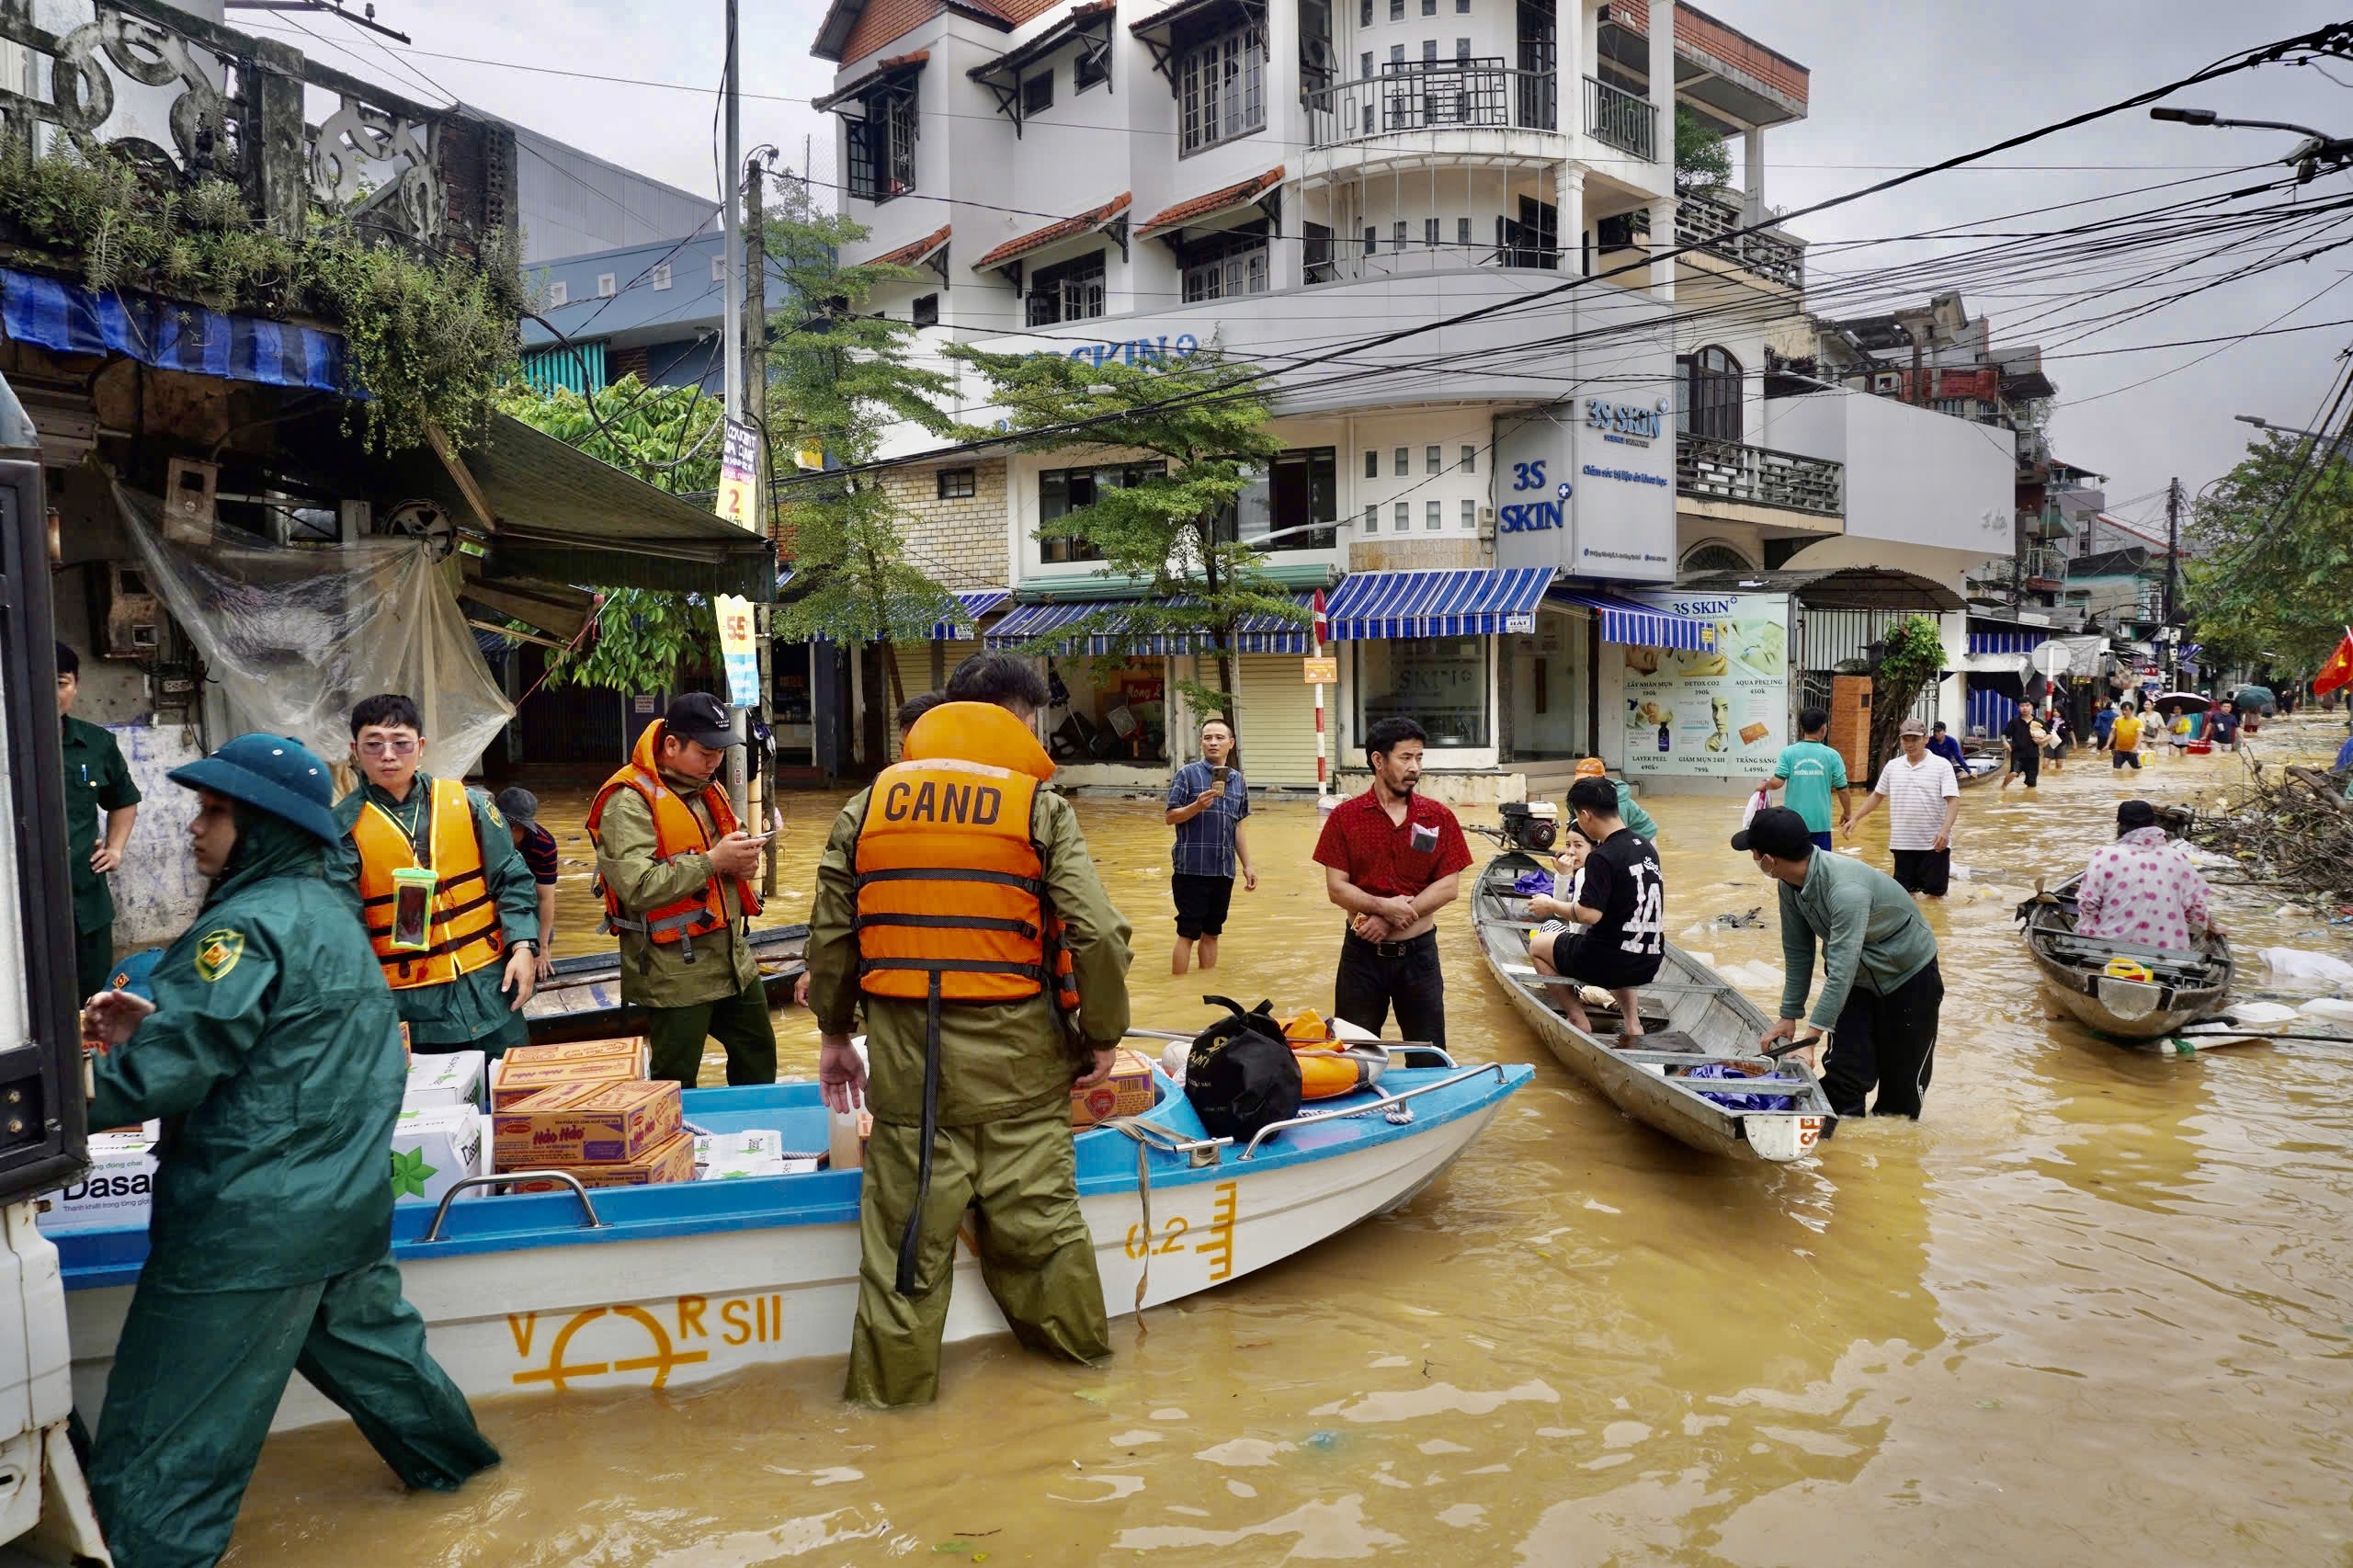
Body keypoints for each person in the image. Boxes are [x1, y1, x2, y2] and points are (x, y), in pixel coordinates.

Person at [78, 733, 498, 1565]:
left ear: (264, 827)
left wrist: (55, 1099)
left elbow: (164, 1074)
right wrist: (159, 1028)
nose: (196, 829)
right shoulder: (331, 921)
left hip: (247, 1228)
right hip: (339, 1211)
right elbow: (286, 1050)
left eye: (215, 812)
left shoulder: (242, 927)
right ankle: (486, 1501)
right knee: (399, 1391)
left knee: (165, 1440)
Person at [807, 652, 1132, 1408]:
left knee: (901, 1263)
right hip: (1022, 1078)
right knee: (1046, 1242)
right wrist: (1104, 1034)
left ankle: (892, 1421)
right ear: (1018, 720)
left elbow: (831, 940)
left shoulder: (865, 807)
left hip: (910, 1085)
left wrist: (832, 1033)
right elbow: (1099, 936)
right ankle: (1088, 1395)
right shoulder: (1038, 809)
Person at [332, 694, 539, 1059]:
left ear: (421, 746)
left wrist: (523, 948)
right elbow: (343, 932)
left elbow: (512, 878)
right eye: (374, 745)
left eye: (401, 743)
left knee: (515, 1103)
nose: (389, 755)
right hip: (412, 1008)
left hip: (493, 987)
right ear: (355, 750)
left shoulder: (468, 805)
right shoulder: (342, 831)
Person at [587, 693, 776, 1088]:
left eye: (720, 753)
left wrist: (745, 858)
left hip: (732, 959)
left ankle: (753, 1140)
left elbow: (724, 860)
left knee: (759, 1054)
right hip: (675, 969)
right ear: (671, 746)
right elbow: (636, 886)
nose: (715, 762)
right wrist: (713, 861)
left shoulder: (706, 789)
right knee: (675, 1080)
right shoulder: (628, 803)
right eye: (706, 752)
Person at [1736, 804, 1943, 1119]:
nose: (1753, 859)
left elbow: (1842, 965)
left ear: (1768, 859)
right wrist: (1789, 1016)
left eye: (1753, 852)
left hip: (1909, 978)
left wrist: (1811, 1037)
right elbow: (1798, 952)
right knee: (1844, 1078)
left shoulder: (1846, 889)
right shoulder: (1789, 885)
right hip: (1857, 981)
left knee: (1901, 1094)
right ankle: (1838, 1155)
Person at [1314, 718, 1473, 1050]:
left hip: (1419, 958)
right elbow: (1336, 888)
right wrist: (1383, 906)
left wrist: (1390, 918)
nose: (1415, 767)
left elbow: (1448, 886)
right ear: (1378, 760)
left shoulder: (1437, 816)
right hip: (1361, 957)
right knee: (1351, 1054)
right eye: (1405, 758)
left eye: (1419, 758)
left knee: (1428, 1055)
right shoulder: (1346, 817)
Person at [1533, 777, 1664, 1035]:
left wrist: (1551, 905)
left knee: (1538, 946)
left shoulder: (1602, 857)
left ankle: (1577, 1017)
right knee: (1619, 942)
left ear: (1585, 815)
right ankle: (1632, 1023)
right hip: (1650, 960)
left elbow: (1588, 915)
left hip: (1607, 961)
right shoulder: (1646, 847)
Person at [56, 642, 142, 1003]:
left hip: (86, 907)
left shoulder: (96, 743)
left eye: (61, 682)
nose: (51, 693)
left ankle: (89, 1062)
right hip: (23, 909)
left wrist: (115, 849)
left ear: (76, 686)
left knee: (92, 1004)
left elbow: (124, 801)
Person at [1165, 716, 1256, 975]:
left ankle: (1205, 987)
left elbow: (1237, 825)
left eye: (1219, 738)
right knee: (1187, 933)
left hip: (1223, 870)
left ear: (1231, 743)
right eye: (1207, 738)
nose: (1213, 743)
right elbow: (1169, 817)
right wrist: (1196, 806)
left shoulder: (1238, 780)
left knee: (1213, 933)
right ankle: (1179, 992)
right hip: (1191, 869)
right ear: (1202, 743)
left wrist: (1248, 866)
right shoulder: (1187, 774)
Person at [2075, 800, 2219, 951]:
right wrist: (2207, 927)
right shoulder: (2177, 858)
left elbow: (2087, 903)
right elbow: (2197, 908)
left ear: (2120, 826)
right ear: (2153, 825)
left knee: (2085, 921)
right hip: (2168, 950)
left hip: (2110, 945)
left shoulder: (2105, 855)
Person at [1845, 718, 1961, 897]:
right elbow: (1877, 796)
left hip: (1935, 844)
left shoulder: (1942, 766)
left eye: (1914, 739)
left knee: (1935, 897)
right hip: (1903, 843)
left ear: (1925, 739)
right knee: (1906, 896)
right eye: (1905, 739)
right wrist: (1855, 819)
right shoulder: (1893, 766)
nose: (1910, 744)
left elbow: (1953, 801)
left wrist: (1945, 831)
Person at [1760, 707, 1851, 850]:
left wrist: (1765, 785)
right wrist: (1847, 813)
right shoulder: (1832, 755)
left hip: (1792, 824)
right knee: (1820, 867)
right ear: (1823, 729)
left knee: (1792, 866)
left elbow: (1777, 783)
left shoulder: (1788, 752)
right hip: (1821, 824)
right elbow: (1843, 790)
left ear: (1802, 728)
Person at [496, 786, 560, 982]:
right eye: (510, 825)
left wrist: (542, 949)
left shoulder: (544, 844)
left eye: (519, 827)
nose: (515, 832)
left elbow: (545, 898)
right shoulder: (480, 838)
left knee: (539, 942)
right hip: (492, 897)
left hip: (525, 902)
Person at [1574, 756, 1658, 840]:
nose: (1583, 786)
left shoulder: (1618, 803)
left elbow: (1619, 836)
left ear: (1602, 781)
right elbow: (1573, 821)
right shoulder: (1576, 796)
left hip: (1643, 836)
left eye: (1589, 781)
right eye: (1580, 781)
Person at [1999, 703, 2042, 790]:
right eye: (2022, 706)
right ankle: (2003, 787)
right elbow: (2004, 734)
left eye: (2027, 706)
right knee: (2014, 772)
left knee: (2031, 784)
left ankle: (2029, 799)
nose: (2025, 708)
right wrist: (2005, 742)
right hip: (2018, 754)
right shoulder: (2014, 722)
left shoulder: (2038, 721)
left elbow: (2050, 735)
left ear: (2032, 707)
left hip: (2033, 755)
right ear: (2019, 708)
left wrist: (2042, 741)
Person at [2110, 702, 2145, 771]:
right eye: (2123, 710)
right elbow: (2112, 733)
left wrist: (2136, 747)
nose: (2124, 712)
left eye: (2126, 710)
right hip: (2119, 751)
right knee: (2116, 770)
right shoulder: (2117, 720)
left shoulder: (2138, 722)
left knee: (2137, 770)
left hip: (2132, 751)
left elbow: (2140, 735)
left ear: (2131, 710)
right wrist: (2108, 745)